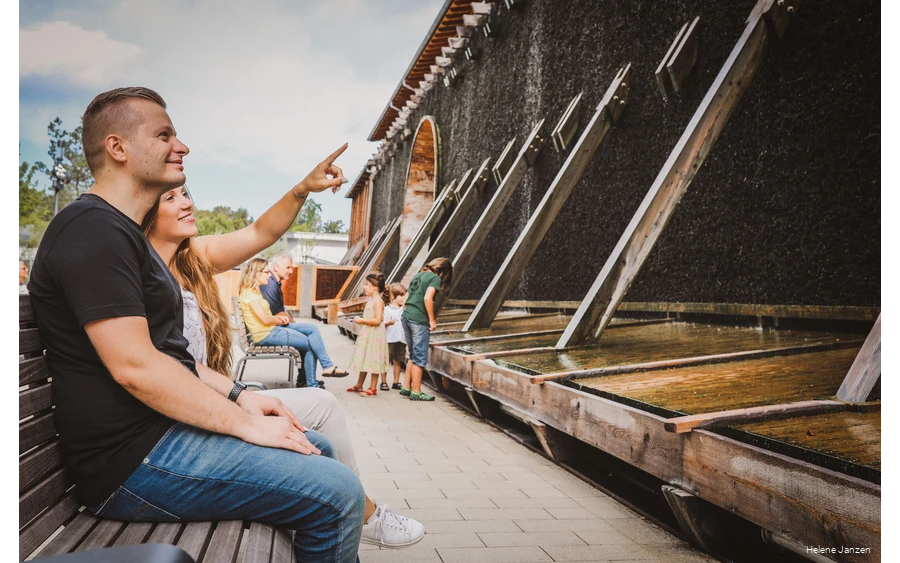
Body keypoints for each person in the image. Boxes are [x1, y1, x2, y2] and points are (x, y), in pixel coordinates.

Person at [27, 86, 363, 563]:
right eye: (164, 135)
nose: (181, 146)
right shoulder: (91, 229)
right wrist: (245, 425)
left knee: (319, 447)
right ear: (118, 148)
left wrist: (242, 397)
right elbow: (135, 368)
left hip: (157, 438)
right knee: (338, 494)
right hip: (131, 463)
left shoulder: (124, 234)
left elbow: (169, 358)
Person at [143, 186, 425, 549]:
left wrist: (302, 189)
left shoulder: (188, 260)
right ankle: (362, 513)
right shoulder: (142, 271)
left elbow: (260, 232)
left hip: (211, 393)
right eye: (171, 198)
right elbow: (162, 367)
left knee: (322, 416)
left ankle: (360, 511)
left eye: (186, 193)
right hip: (188, 415)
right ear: (146, 212)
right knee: (325, 447)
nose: (187, 203)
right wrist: (242, 410)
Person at [238, 258, 347, 389]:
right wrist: (279, 319)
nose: (269, 275)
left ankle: (326, 367)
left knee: (312, 328)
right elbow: (265, 320)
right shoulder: (249, 294)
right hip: (266, 335)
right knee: (310, 344)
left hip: (271, 330)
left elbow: (265, 317)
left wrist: (279, 319)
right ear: (256, 273)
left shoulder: (255, 291)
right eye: (266, 272)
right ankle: (312, 383)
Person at [400, 258, 453, 401]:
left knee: (412, 355)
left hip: (406, 317)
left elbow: (404, 300)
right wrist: (431, 320)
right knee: (419, 357)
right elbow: (427, 298)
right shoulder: (435, 278)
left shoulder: (418, 275)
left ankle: (406, 387)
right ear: (443, 272)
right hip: (419, 320)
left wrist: (410, 313)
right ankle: (416, 392)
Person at [346, 273, 390, 396]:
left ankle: (373, 387)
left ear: (375, 287)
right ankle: (359, 384)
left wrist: (362, 320)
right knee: (366, 358)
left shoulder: (378, 301)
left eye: (367, 284)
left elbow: (377, 320)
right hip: (368, 334)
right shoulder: (371, 300)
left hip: (375, 335)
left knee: (374, 359)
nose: (364, 287)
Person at [383, 282, 407, 391]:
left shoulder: (403, 310)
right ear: (393, 296)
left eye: (404, 296)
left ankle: (396, 382)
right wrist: (388, 323)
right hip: (389, 339)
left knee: (398, 361)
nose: (403, 298)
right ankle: (384, 382)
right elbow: (382, 324)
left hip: (401, 339)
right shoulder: (387, 310)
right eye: (401, 296)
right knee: (385, 361)